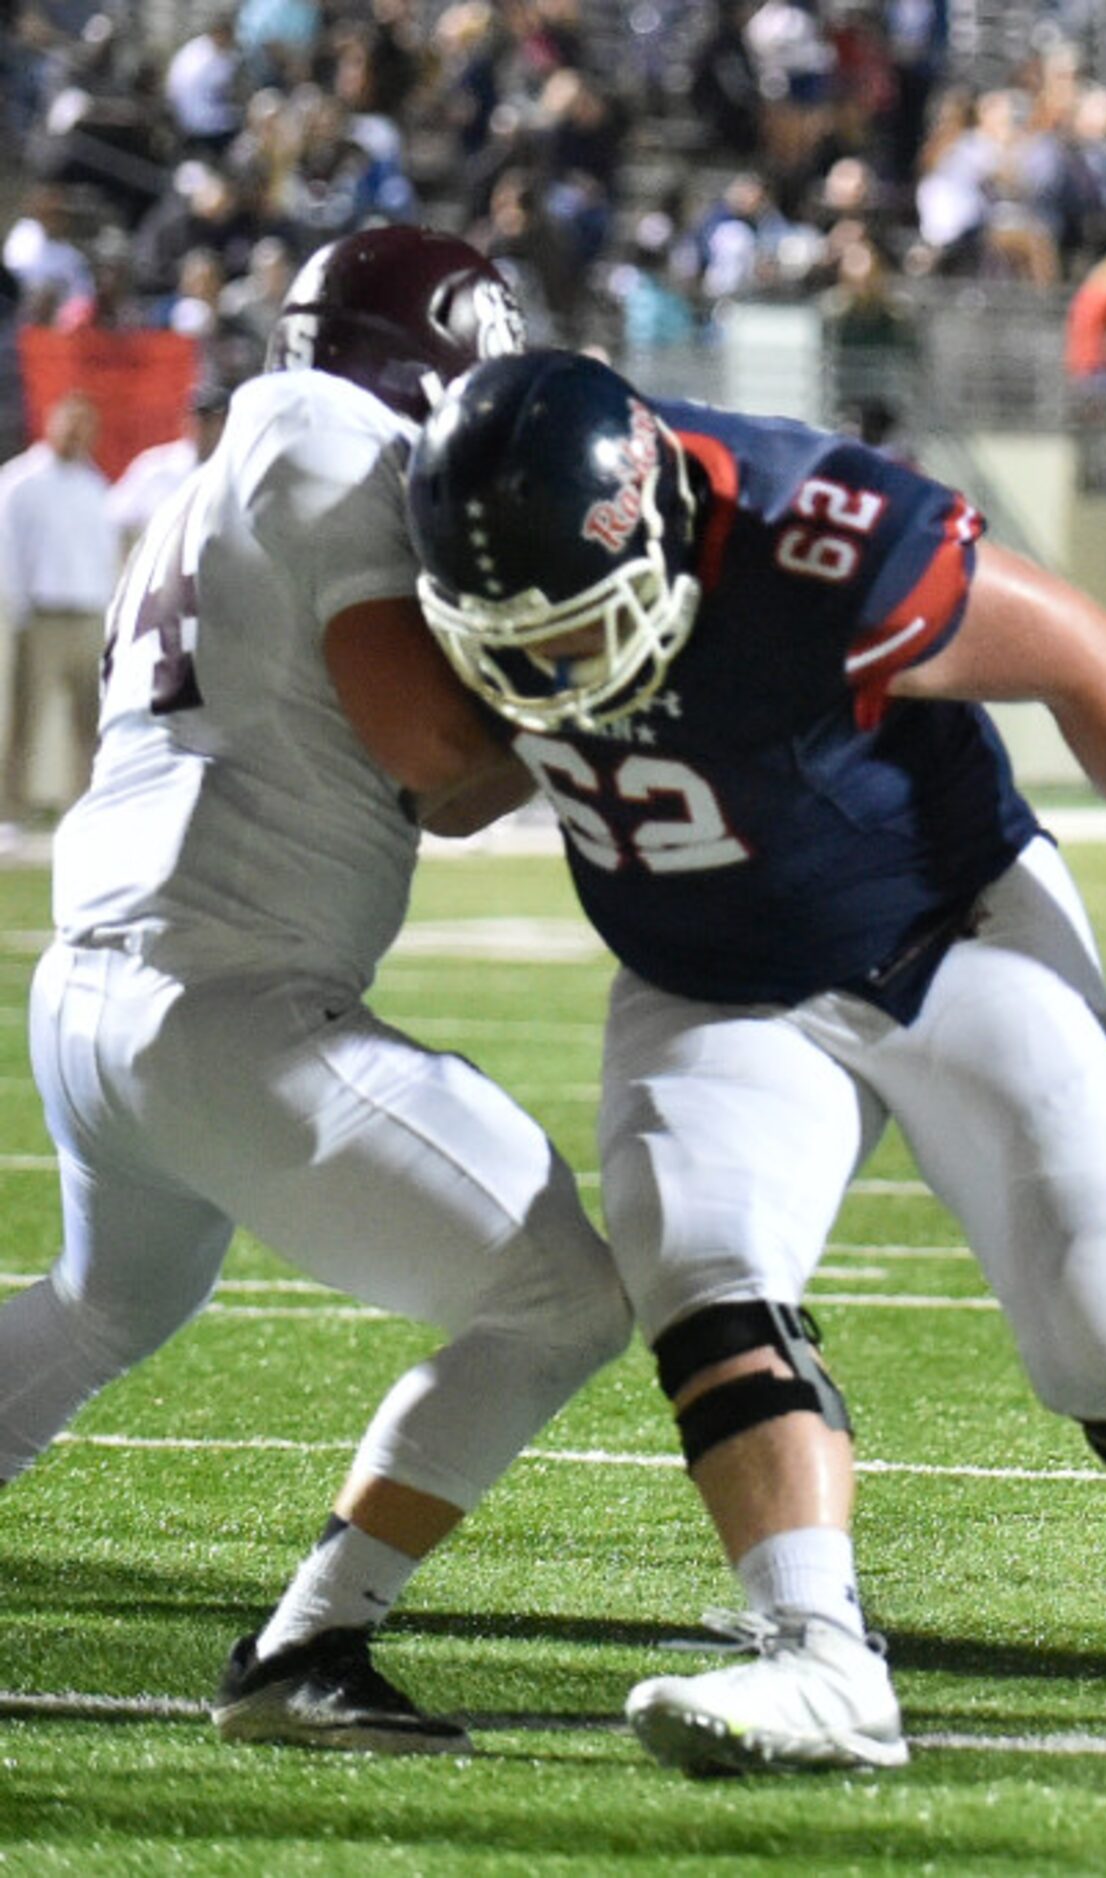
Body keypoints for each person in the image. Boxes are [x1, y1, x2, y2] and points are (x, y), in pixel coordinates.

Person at [404, 346, 1106, 1776]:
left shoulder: (809, 535)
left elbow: (1083, 652)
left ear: (658, 537)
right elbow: (463, 785)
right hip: (709, 980)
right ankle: (819, 1657)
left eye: (570, 634)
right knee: (701, 1272)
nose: (543, 676)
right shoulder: (482, 559)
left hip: (947, 931)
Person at [0, 226, 630, 1755]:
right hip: (220, 993)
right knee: (558, 1297)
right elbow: (436, 765)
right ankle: (310, 1643)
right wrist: (596, 695)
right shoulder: (331, 430)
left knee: (109, 1298)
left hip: (102, 981)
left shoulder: (244, 444)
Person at [0, 392, 120, 823]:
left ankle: (88, 809)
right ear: (51, 426)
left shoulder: (94, 484)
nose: (76, 435)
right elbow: (7, 550)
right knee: (28, 719)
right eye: (69, 425)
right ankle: (10, 813)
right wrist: (20, 606)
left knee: (93, 721)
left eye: (83, 427)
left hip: (89, 614)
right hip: (43, 615)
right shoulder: (21, 481)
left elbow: (104, 553)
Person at [106, 380, 234, 546]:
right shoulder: (156, 467)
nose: (205, 427)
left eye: (214, 421)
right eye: (200, 418)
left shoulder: (235, 472)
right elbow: (115, 518)